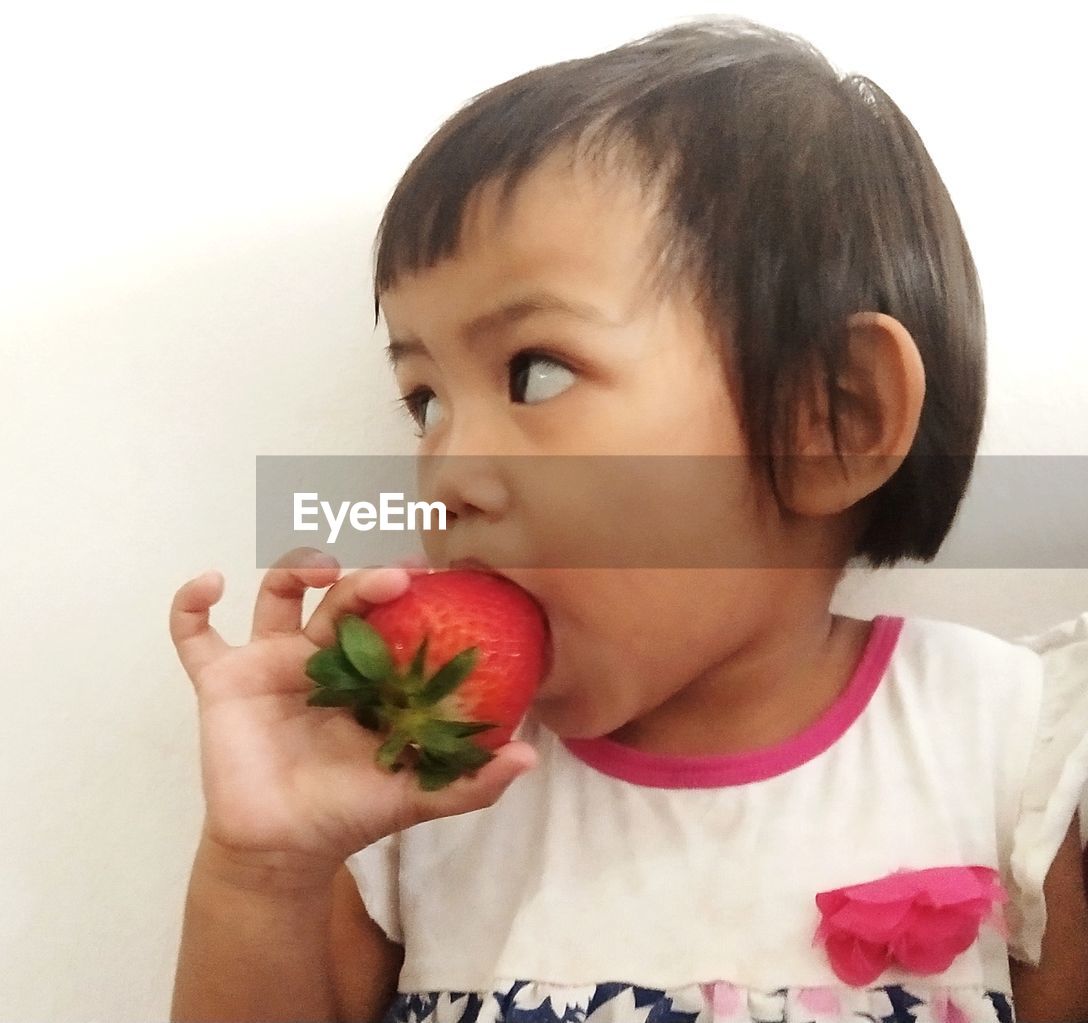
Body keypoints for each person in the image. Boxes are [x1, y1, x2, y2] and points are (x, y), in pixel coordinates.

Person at [167, 16, 1088, 1023]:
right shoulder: (409, 797)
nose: (444, 474)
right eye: (423, 401)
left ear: (828, 421)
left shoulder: (1003, 753)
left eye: (535, 373)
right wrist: (261, 873)